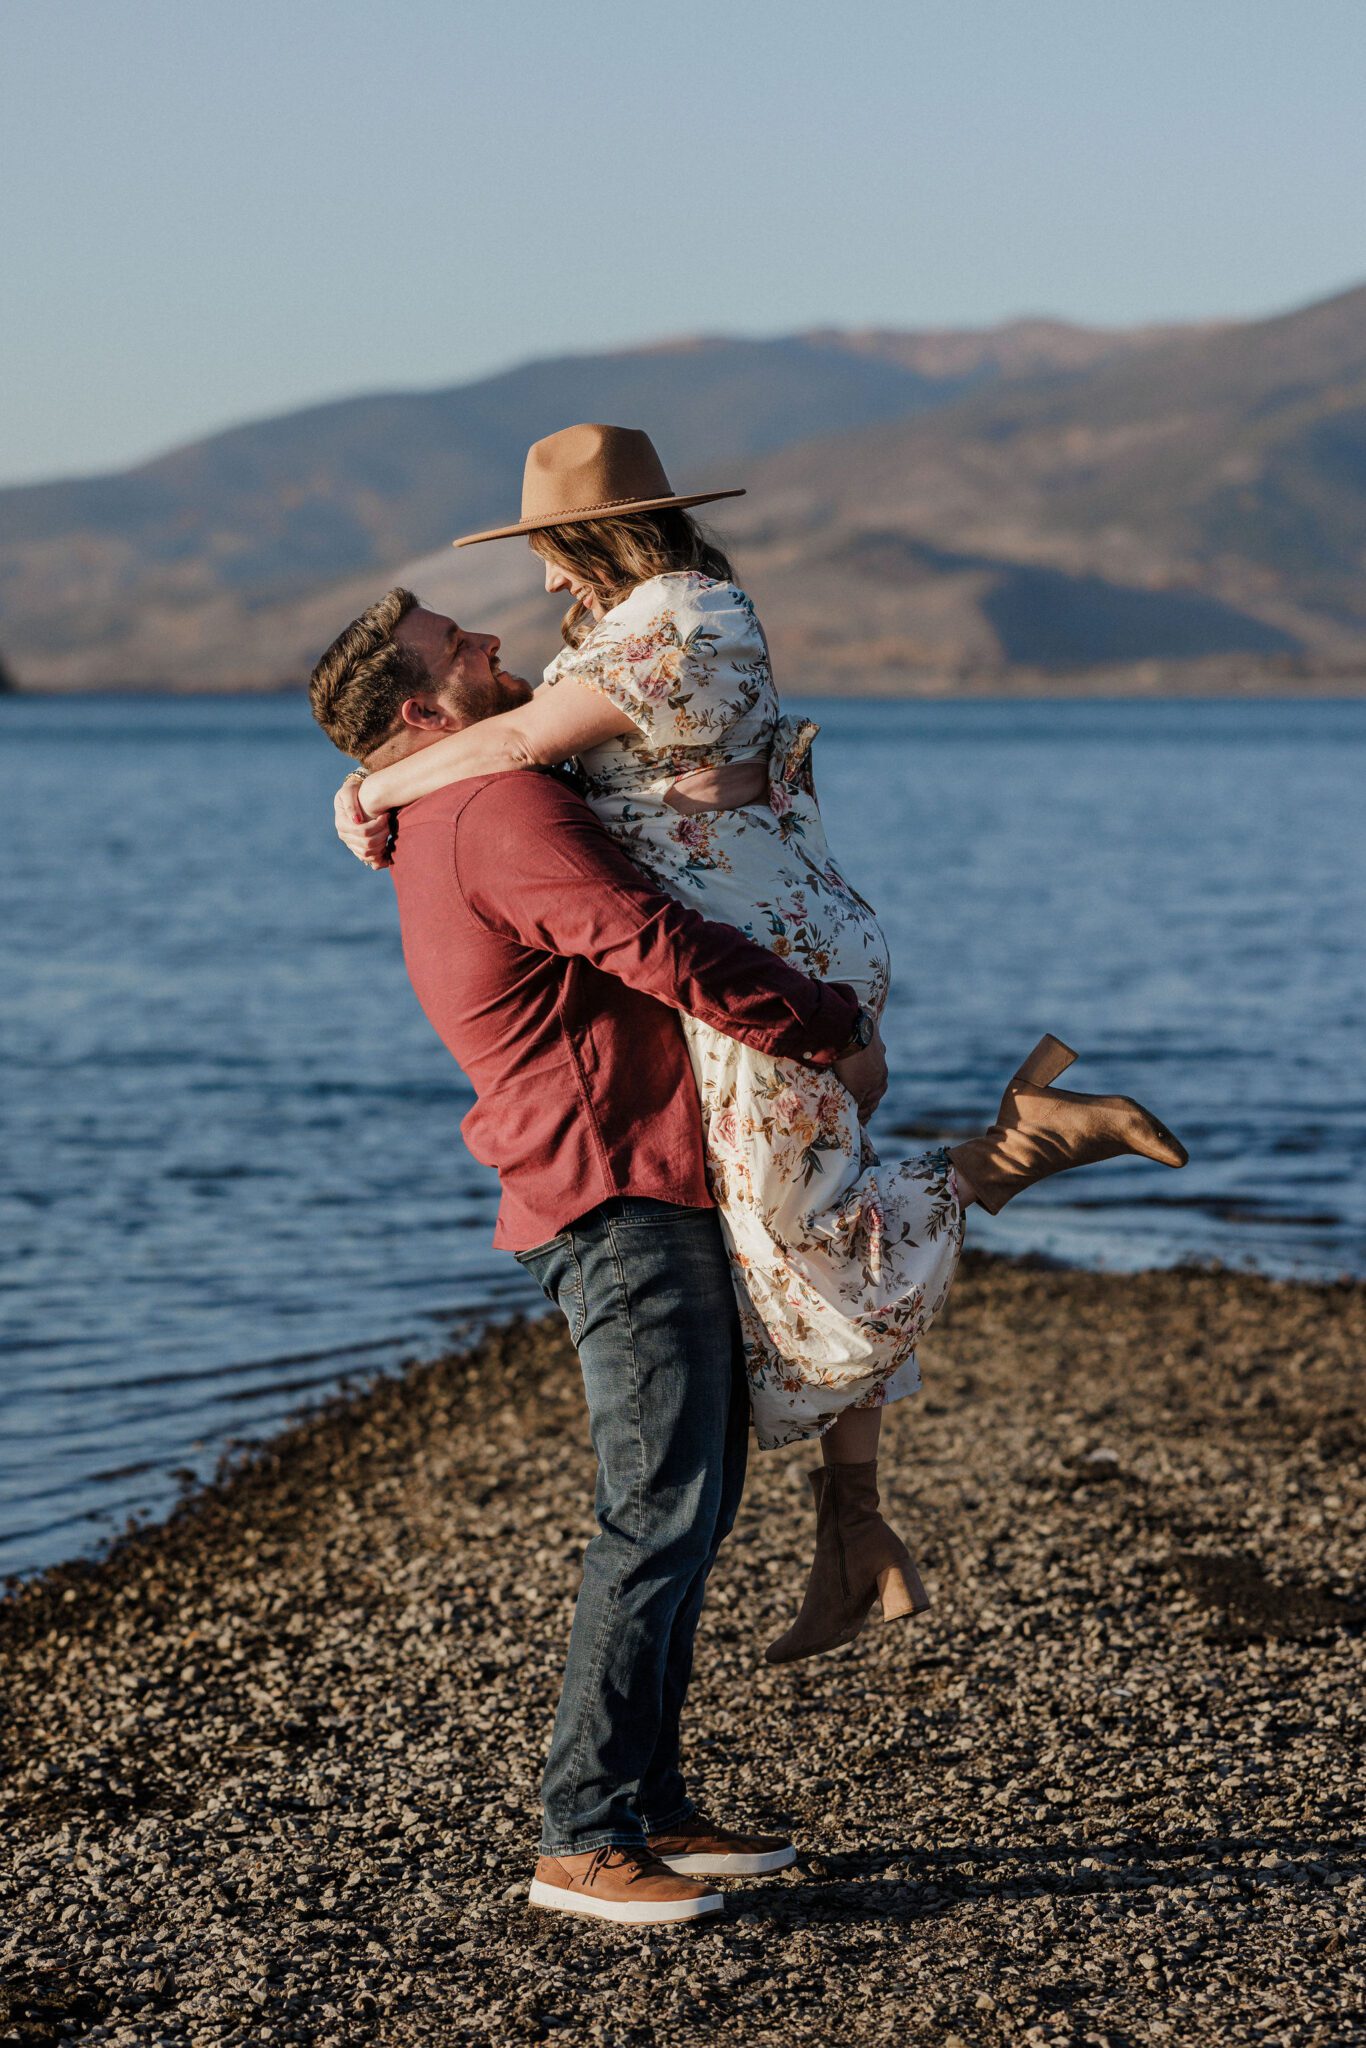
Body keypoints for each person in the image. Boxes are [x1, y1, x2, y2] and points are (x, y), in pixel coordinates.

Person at [332, 424, 1187, 1670]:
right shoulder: (618, 631)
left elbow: (514, 747)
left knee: (804, 1240)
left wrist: (369, 788)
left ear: (595, 535)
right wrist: (376, 776)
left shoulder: (682, 618)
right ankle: (854, 1531)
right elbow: (533, 751)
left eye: (551, 554)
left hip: (767, 964)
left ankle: (1017, 1146)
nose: (542, 589)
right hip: (767, 945)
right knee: (786, 1237)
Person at [308, 593, 888, 1925]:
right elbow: (655, 943)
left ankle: (653, 1804)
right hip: (613, 1192)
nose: (493, 649)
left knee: (690, 1506)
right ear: (416, 707)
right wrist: (819, 1016)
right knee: (658, 1513)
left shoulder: (462, 791)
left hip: (631, 1179)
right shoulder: (495, 812)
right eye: (460, 650)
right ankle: (582, 1837)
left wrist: (372, 785)